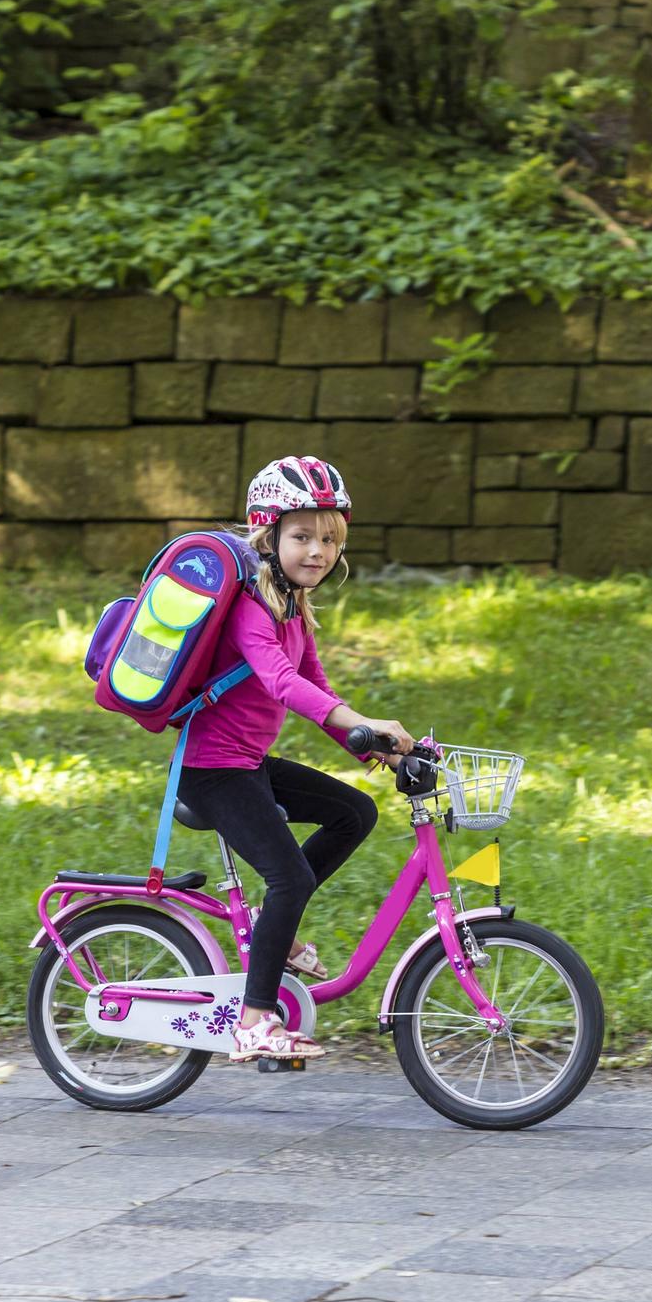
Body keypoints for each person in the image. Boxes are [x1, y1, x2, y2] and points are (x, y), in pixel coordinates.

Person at [175, 455, 413, 1062]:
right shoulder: (252, 609)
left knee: (353, 813)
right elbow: (282, 683)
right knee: (292, 877)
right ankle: (254, 1023)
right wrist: (359, 725)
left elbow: (319, 690)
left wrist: (369, 742)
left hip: (247, 763)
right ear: (268, 535)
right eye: (302, 536)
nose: (318, 551)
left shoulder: (294, 611)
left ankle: (264, 925)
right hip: (213, 772)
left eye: (329, 538)